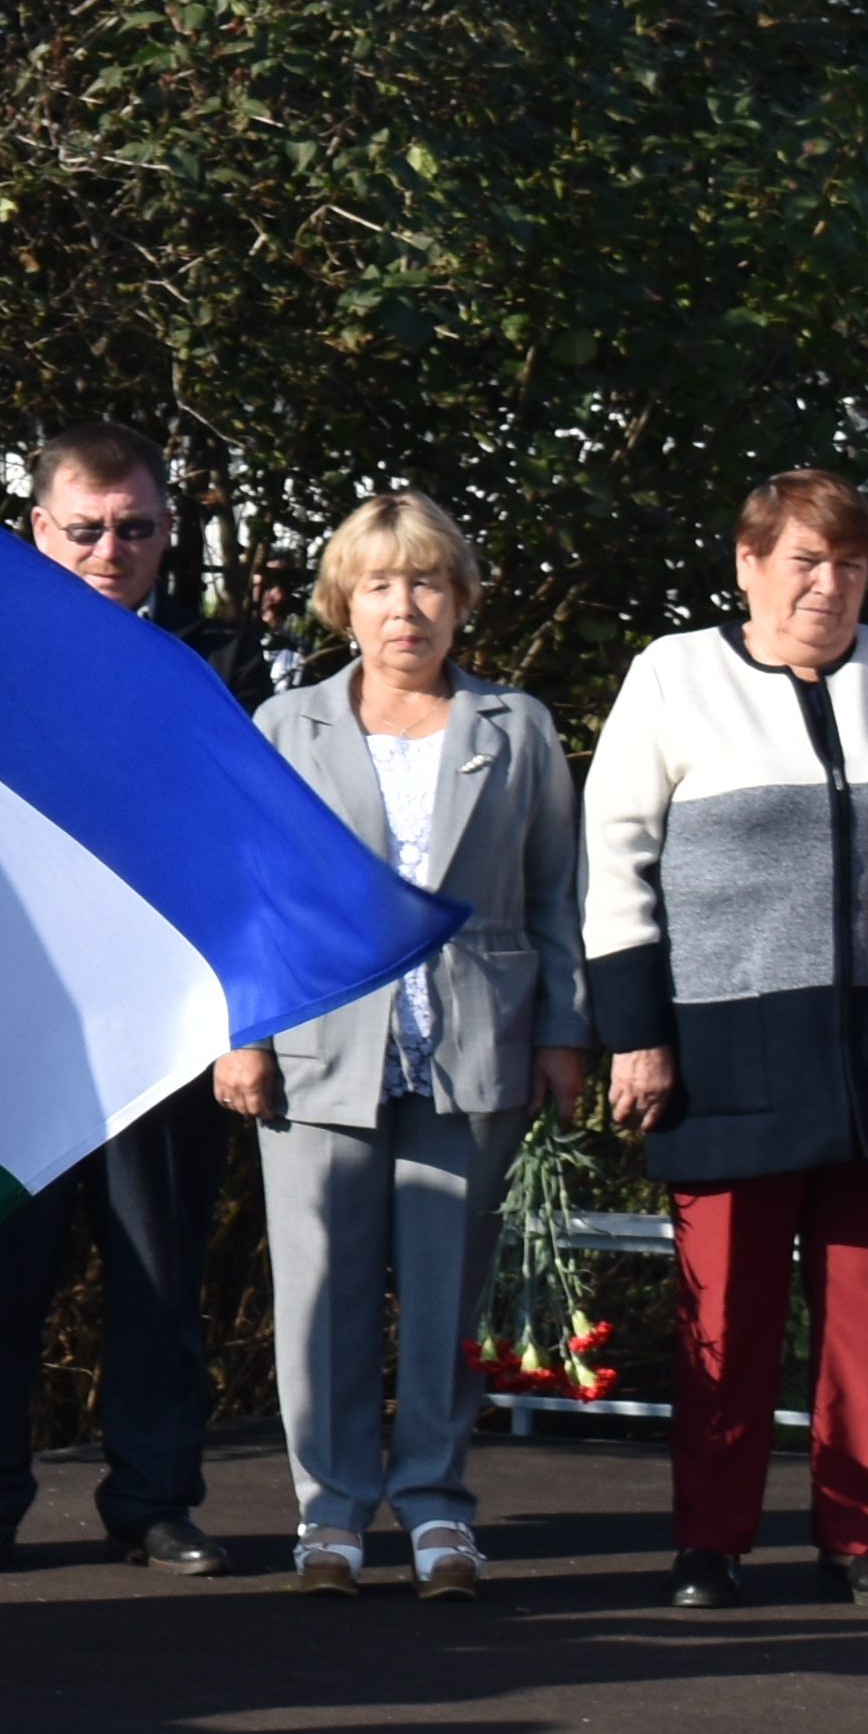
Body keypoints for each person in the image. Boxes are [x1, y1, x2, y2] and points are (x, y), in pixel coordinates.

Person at [581, 469, 868, 1610]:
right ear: (747, 564)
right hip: (728, 1043)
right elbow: (616, 865)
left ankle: (858, 1538)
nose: (830, 586)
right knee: (722, 1316)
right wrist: (636, 1036)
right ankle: (711, 1544)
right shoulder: (672, 677)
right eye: (805, 562)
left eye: (853, 564)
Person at [218, 489, 585, 1600]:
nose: (405, 607)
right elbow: (247, 899)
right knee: (321, 1293)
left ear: (459, 599)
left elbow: (557, 893)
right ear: (343, 602)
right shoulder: (288, 728)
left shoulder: (515, 728)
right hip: (320, 1048)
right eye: (380, 584)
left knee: (445, 1296)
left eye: (426, 581)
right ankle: (328, 1513)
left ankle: (435, 1507)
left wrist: (566, 1031)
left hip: (474, 1045)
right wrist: (244, 1033)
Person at [0, 421, 239, 1573]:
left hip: (163, 1025)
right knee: (0, 1272)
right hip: (14, 1027)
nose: (114, 548)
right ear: (36, 530)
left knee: (159, 1276)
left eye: (138, 528)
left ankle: (156, 1499)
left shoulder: (213, 669)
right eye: (88, 528)